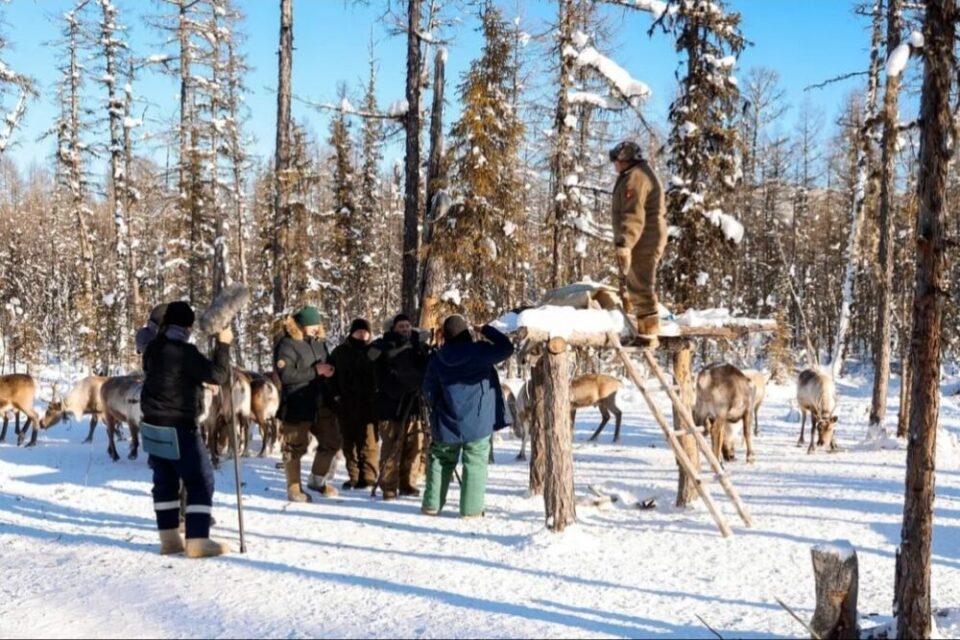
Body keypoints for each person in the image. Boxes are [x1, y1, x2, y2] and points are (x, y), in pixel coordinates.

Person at [141, 301, 233, 558]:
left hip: (151, 424)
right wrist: (223, 345)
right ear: (189, 325)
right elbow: (218, 375)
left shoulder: (152, 349)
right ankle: (197, 540)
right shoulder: (184, 352)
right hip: (179, 426)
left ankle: (169, 539)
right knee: (201, 480)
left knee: (165, 482)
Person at [420, 315, 513, 518]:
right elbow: (507, 348)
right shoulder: (479, 352)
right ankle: (471, 510)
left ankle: (431, 505)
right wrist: (486, 330)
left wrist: (438, 405)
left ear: (445, 335)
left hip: (446, 419)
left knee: (441, 459)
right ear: (466, 332)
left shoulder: (438, 358)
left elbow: (428, 387)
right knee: (475, 462)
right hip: (478, 419)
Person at [274, 305, 341, 501]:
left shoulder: (319, 343)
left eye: (317, 324)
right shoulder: (286, 344)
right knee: (294, 447)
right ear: (300, 325)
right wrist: (315, 372)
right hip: (297, 403)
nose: (315, 328)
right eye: (311, 325)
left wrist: (329, 372)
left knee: (332, 441)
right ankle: (293, 488)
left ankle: (317, 480)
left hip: (322, 403)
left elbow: (324, 366)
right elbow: (286, 375)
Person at [609, 139, 667, 348]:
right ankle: (643, 329)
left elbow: (634, 214)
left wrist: (625, 242)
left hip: (645, 238)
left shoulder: (636, 178)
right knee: (635, 282)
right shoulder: (633, 175)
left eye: (616, 160)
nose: (614, 165)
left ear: (625, 160)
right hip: (641, 238)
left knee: (641, 282)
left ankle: (649, 332)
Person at [368, 313, 430, 500]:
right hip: (391, 404)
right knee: (392, 446)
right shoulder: (383, 346)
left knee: (414, 445)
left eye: (407, 326)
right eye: (401, 326)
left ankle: (408, 483)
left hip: (415, 404)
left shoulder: (419, 346)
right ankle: (389, 485)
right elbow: (373, 366)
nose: (404, 329)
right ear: (393, 328)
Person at [329, 318, 379, 490]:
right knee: (349, 443)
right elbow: (330, 377)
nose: (362, 334)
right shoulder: (339, 353)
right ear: (352, 332)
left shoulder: (374, 351)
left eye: (365, 332)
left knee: (368, 443)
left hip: (369, 405)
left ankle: (369, 477)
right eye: (359, 331)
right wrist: (335, 396)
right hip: (346, 405)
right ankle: (354, 476)